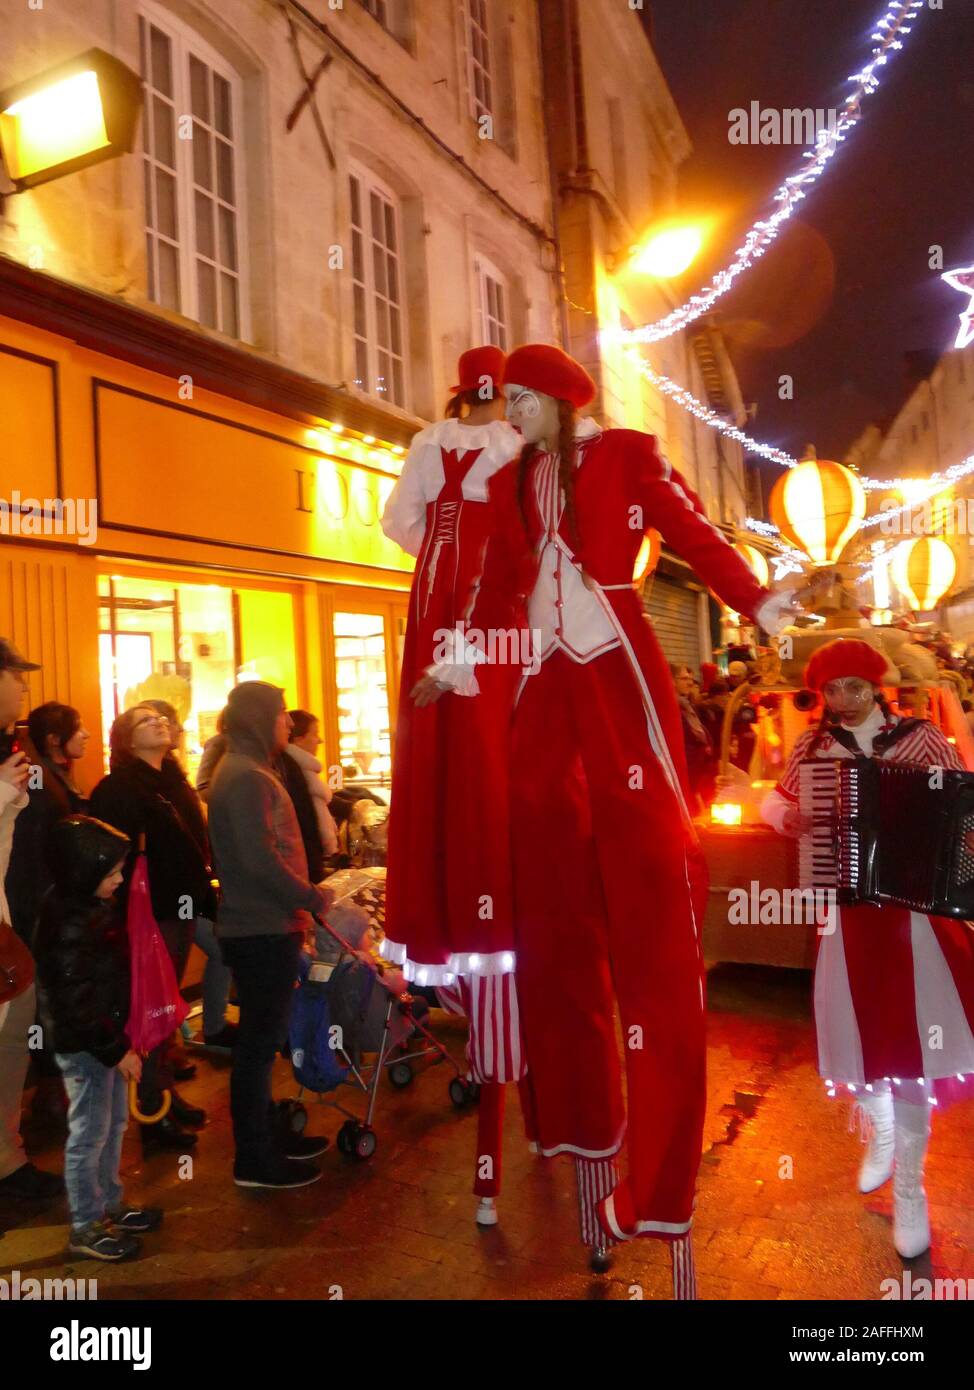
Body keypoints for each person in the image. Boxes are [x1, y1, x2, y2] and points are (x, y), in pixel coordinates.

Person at [414, 343, 799, 1295]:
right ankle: (591, 1155)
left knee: (649, 897)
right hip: (544, 687)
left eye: (522, 400)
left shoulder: (626, 453)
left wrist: (755, 599)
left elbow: (689, 528)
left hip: (615, 671)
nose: (510, 413)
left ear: (555, 399)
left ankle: (662, 1194)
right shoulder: (515, 482)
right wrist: (456, 661)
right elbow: (497, 591)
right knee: (550, 907)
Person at [761, 638, 974, 1258]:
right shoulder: (812, 747)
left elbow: (961, 807)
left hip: (915, 917)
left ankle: (911, 1186)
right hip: (846, 917)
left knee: (911, 1055)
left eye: (854, 687)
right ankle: (880, 1132)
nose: (843, 700)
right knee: (855, 1043)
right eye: (832, 689)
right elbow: (777, 797)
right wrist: (786, 818)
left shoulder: (923, 738)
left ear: (877, 687)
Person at [380, 345, 524, 1226]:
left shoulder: (516, 453)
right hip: (438, 593)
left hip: (475, 601)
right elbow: (406, 523)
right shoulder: (436, 448)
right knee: (436, 757)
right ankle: (453, 913)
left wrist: (463, 649)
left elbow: (510, 580)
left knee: (476, 747)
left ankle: (489, 894)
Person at [207, 682, 334, 1189]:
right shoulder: (244, 776)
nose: (287, 721)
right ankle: (254, 1159)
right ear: (260, 718)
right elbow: (260, 860)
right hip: (259, 928)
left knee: (264, 1043)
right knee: (257, 1048)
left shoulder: (253, 769)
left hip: (268, 924)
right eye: (281, 713)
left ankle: (268, 1137)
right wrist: (308, 895)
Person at [34, 815, 164, 1260]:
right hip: (88, 1047)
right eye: (111, 873)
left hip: (105, 1040)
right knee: (90, 1133)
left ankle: (108, 1202)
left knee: (112, 1125)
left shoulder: (90, 908)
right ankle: (86, 1223)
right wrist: (116, 1048)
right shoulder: (69, 923)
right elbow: (77, 1003)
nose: (120, 879)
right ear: (84, 872)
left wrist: (129, 1033)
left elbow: (108, 984)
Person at [89, 705, 217, 1152]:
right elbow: (111, 857)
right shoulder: (120, 788)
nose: (159, 723)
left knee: (166, 1006)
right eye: (146, 722)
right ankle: (151, 1112)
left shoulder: (173, 780)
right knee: (152, 1009)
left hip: (178, 909)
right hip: (147, 915)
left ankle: (162, 1094)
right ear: (125, 739)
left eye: (161, 720)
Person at [0, 639, 64, 1200]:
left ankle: (9, 1161)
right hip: (8, 922)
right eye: (15, 675)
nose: (23, 685)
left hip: (14, 919)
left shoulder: (12, 748)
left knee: (14, 1039)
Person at [144, 700, 235, 1051]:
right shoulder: (148, 779)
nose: (177, 730)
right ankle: (178, 1041)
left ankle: (201, 1031)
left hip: (189, 888)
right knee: (175, 963)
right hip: (170, 893)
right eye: (168, 723)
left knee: (198, 955)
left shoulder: (171, 772)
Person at [6, 702, 89, 949]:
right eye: (77, 729)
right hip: (41, 893)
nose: (86, 734)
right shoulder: (39, 777)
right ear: (54, 739)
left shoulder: (54, 773)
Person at [285, 710, 339, 860]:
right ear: (298, 739)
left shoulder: (303, 770)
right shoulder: (296, 772)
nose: (320, 740)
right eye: (314, 734)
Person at [670, 663, 716, 812]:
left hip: (698, 774)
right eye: (684, 678)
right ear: (671, 680)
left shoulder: (686, 705)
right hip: (686, 776)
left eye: (690, 678)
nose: (690, 682)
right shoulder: (670, 707)